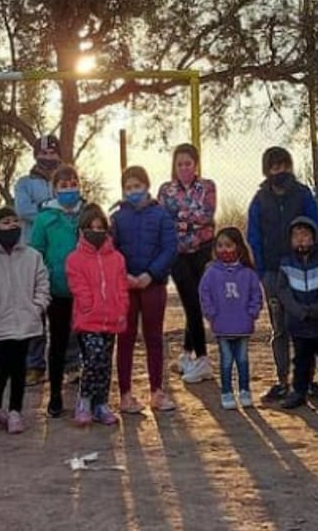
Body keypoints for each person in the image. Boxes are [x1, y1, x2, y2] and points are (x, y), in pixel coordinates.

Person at [246, 146, 318, 403]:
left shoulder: (302, 195)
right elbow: (253, 235)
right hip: (272, 271)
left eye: (283, 166)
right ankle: (282, 380)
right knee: (279, 327)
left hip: (302, 269)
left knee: (305, 325)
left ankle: (308, 380)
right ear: (267, 170)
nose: (279, 171)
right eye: (274, 167)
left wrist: (316, 261)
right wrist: (260, 268)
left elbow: (316, 227)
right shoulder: (260, 199)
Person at [0, 207, 50, 434]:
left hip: (26, 322)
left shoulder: (32, 256)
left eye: (16, 221)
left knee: (19, 368)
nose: (13, 226)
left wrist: (36, 308)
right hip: (0, 323)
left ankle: (15, 411)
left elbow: (42, 284)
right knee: (2, 366)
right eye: (6, 222)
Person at [112, 165, 179, 413]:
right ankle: (126, 395)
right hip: (126, 287)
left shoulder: (161, 216)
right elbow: (112, 250)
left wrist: (151, 274)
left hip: (154, 285)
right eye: (128, 187)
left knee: (154, 337)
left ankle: (157, 392)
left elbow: (169, 248)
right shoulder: (117, 218)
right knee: (126, 338)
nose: (133, 191)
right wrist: (125, 276)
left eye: (137, 186)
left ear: (147, 186)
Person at [157, 143, 217, 384]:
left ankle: (192, 356)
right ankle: (197, 356)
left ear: (196, 165)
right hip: (177, 252)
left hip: (202, 250)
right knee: (190, 300)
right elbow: (163, 219)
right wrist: (190, 219)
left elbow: (208, 214)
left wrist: (180, 218)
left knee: (198, 301)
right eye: (180, 164)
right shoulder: (165, 190)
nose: (184, 168)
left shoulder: (208, 186)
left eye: (188, 163)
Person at [65, 204, 130, 426]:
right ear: (83, 230)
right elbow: (77, 285)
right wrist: (88, 305)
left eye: (101, 228)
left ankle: (101, 403)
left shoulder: (117, 258)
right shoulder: (75, 258)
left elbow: (122, 286)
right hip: (88, 320)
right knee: (93, 358)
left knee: (105, 363)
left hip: (111, 319)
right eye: (91, 228)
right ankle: (84, 400)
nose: (96, 232)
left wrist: (122, 308)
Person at [29, 164, 85, 417]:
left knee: (88, 342)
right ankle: (55, 396)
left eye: (74, 183)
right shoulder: (45, 218)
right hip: (58, 290)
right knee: (59, 341)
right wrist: (42, 282)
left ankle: (89, 395)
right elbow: (37, 253)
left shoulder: (87, 214)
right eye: (64, 185)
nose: (70, 188)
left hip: (86, 291)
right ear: (54, 189)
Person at [276, 217, 318, 410]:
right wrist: (298, 310)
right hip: (299, 324)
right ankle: (299, 392)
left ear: (314, 238)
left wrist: (317, 309)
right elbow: (283, 291)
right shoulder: (286, 265)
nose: (301, 240)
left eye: (305, 235)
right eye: (296, 236)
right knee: (302, 361)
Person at [198, 227, 262, 410]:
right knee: (226, 361)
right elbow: (204, 293)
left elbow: (255, 294)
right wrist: (210, 313)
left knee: (242, 360)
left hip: (242, 324)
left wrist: (252, 312)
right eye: (219, 246)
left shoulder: (248, 273)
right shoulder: (211, 272)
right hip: (222, 325)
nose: (224, 250)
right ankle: (226, 392)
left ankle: (244, 391)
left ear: (238, 247)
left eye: (228, 245)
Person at [16, 135, 61, 384]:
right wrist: (53, 209)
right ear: (35, 155)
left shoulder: (65, 181)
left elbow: (73, 206)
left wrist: (44, 207)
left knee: (63, 309)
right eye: (42, 154)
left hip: (60, 252)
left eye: (52, 153)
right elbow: (23, 210)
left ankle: (68, 363)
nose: (47, 158)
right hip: (32, 253)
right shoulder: (24, 183)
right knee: (35, 310)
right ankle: (34, 365)